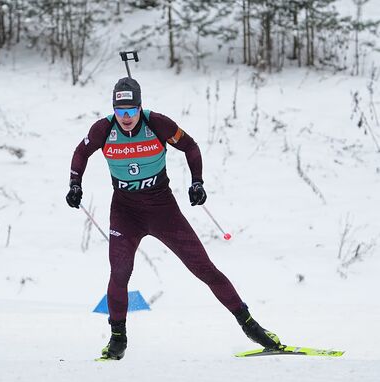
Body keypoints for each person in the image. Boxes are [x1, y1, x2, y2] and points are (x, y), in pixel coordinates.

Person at [66, 77, 281, 360]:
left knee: (203, 268)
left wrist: (197, 182)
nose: (126, 117)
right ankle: (118, 338)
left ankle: (252, 327)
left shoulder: (157, 123)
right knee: (119, 273)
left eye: (132, 110)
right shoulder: (103, 129)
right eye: (121, 111)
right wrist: (75, 184)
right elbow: (81, 152)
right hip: (125, 212)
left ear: (140, 107)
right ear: (113, 110)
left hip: (163, 210)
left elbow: (190, 147)